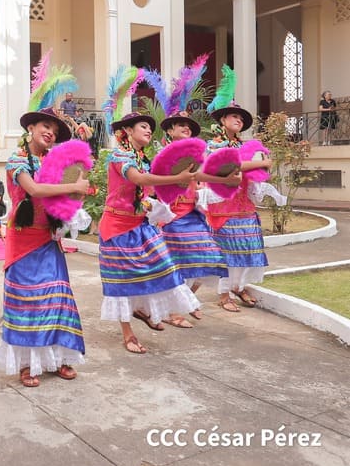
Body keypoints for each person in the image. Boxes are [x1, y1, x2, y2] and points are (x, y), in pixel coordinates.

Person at [0, 63, 89, 387]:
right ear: (31, 128)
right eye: (45, 126)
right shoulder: (17, 160)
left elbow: (66, 200)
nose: (50, 133)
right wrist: (73, 186)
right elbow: (32, 190)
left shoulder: (55, 164)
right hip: (23, 242)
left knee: (57, 297)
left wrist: (78, 192)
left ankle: (59, 358)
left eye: (55, 130)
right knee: (27, 301)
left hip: (49, 240)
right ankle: (26, 364)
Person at [98, 66, 199, 354]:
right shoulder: (119, 155)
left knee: (161, 267)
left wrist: (180, 183)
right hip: (116, 227)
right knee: (121, 282)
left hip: (140, 225)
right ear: (128, 131)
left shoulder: (143, 159)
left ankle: (145, 310)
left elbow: (150, 188)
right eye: (142, 126)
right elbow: (140, 180)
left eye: (149, 127)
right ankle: (127, 332)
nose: (147, 130)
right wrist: (176, 178)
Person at [157, 112, 240, 326]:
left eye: (189, 126)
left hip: (193, 214)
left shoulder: (194, 154)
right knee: (178, 264)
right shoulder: (164, 153)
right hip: (173, 216)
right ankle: (172, 312)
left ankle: (186, 300)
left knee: (209, 257)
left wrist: (223, 179)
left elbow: (199, 176)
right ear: (170, 130)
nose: (186, 128)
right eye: (181, 125)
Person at [206, 66, 272, 313]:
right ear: (223, 120)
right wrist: (262, 163)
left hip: (245, 205)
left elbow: (249, 169)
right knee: (228, 252)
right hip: (224, 206)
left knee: (247, 249)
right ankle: (224, 294)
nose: (239, 121)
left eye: (241, 119)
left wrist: (262, 167)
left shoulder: (245, 146)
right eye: (234, 116)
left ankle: (239, 286)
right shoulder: (214, 145)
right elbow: (229, 165)